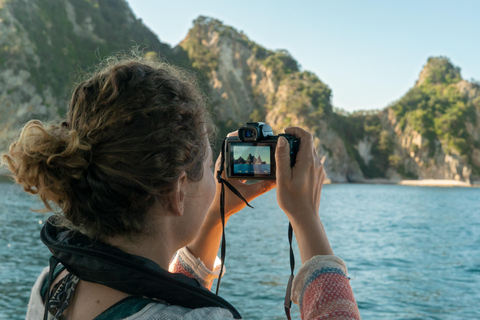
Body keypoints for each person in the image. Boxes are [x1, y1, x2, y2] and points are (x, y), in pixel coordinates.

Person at [2, 55, 361, 319]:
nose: (215, 176)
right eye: (208, 166)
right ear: (176, 192)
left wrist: (215, 215)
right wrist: (307, 220)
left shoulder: (53, 284)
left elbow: (155, 295)